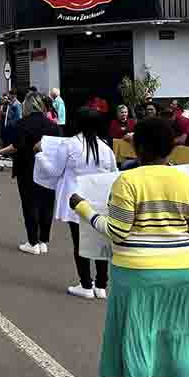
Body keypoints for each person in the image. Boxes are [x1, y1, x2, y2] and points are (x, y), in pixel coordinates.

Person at [69, 117, 189, 377]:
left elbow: (117, 232)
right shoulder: (188, 183)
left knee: (138, 336)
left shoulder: (127, 181)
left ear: (138, 146)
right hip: (184, 273)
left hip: (137, 272)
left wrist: (84, 209)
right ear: (171, 147)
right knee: (182, 336)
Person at [35, 108, 118, 299]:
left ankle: (86, 284)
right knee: (99, 240)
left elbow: (54, 171)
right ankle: (101, 285)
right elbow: (113, 174)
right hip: (100, 200)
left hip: (75, 200)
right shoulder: (105, 148)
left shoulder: (71, 145)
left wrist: (40, 155)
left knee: (80, 243)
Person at [0, 93, 61, 255]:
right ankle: (44, 241)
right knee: (47, 204)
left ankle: (32, 242)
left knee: (30, 205)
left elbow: (15, 146)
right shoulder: (52, 125)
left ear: (27, 106)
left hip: (27, 168)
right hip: (48, 170)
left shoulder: (22, 124)